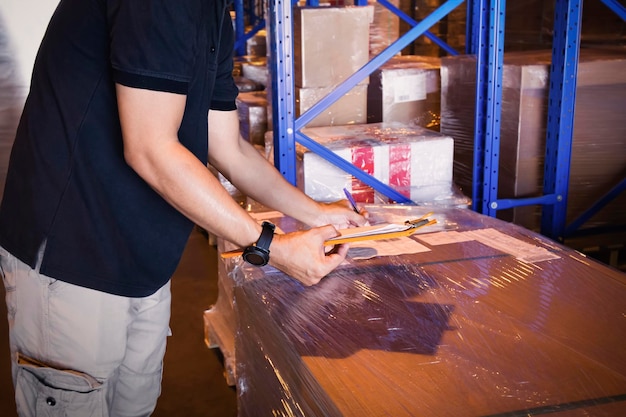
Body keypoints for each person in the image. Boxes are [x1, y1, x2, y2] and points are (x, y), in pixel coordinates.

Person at [0, 0, 367, 415]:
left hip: (141, 258)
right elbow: (151, 149)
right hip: (73, 257)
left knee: (134, 406)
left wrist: (316, 212)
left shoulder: (212, 13)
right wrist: (272, 247)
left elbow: (227, 146)